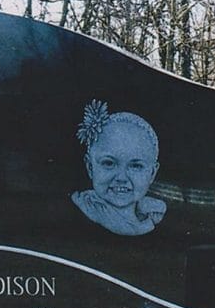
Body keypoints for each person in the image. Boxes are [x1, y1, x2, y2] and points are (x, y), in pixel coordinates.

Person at [71, 100, 166, 236]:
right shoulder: (83, 206)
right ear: (90, 167)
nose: (121, 178)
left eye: (136, 166)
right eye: (109, 163)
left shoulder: (150, 216)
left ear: (152, 173)